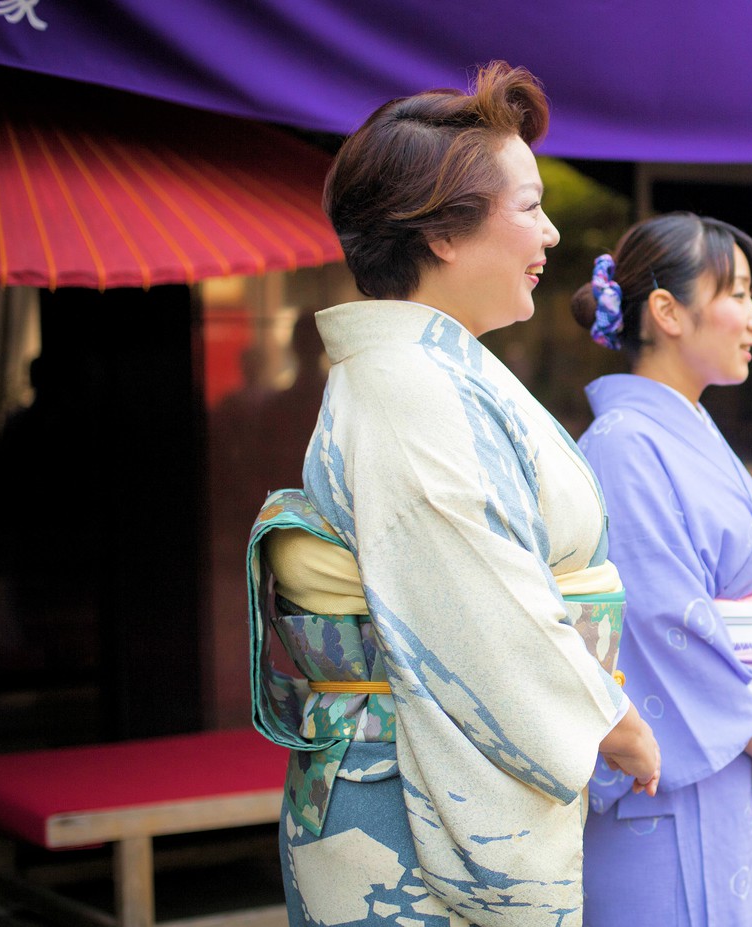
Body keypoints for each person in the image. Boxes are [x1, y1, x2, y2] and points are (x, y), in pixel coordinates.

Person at [244, 61, 660, 927]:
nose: (549, 235)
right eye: (529, 207)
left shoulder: (440, 370)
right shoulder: (411, 384)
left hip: (416, 763)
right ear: (440, 233)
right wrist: (608, 718)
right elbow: (476, 601)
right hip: (402, 797)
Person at [572, 212, 752, 927]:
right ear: (668, 312)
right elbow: (661, 618)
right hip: (677, 773)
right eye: (737, 295)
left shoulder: (690, 430)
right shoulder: (621, 446)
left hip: (742, 749)